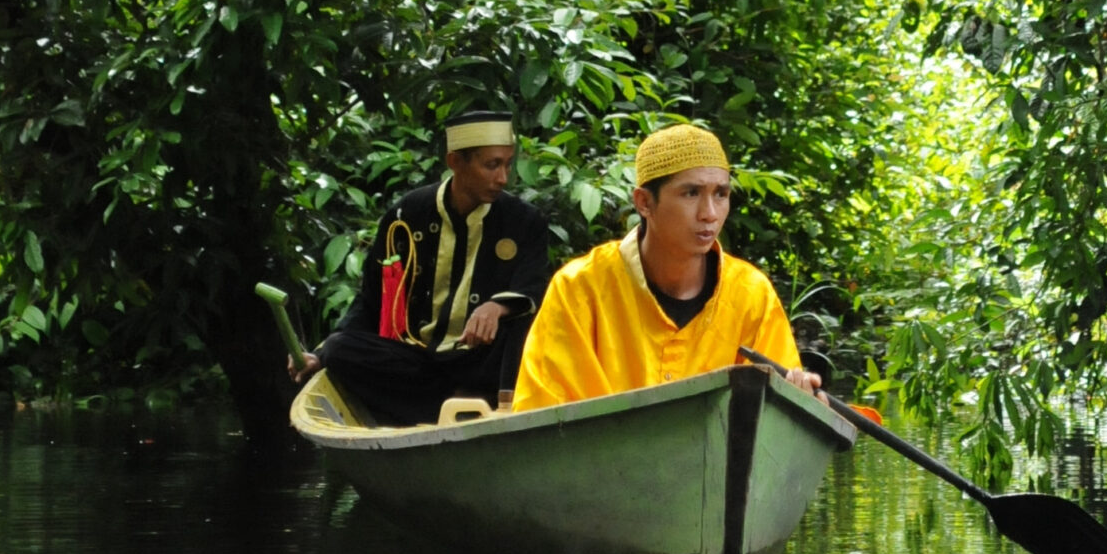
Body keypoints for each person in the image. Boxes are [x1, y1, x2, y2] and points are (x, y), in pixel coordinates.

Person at [511, 123, 819, 411]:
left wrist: (798, 401)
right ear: (644, 202)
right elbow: (542, 415)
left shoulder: (751, 294)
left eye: (721, 195)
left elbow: (769, 418)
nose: (710, 214)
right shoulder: (580, 288)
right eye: (691, 193)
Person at [302, 110, 551, 425]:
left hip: (483, 360)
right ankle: (449, 407)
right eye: (491, 165)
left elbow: (534, 286)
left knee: (524, 319)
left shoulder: (524, 221)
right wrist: (320, 354)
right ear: (455, 162)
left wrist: (498, 306)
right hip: (420, 362)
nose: (502, 178)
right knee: (340, 349)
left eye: (506, 164)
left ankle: (496, 411)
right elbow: (370, 301)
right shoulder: (406, 215)